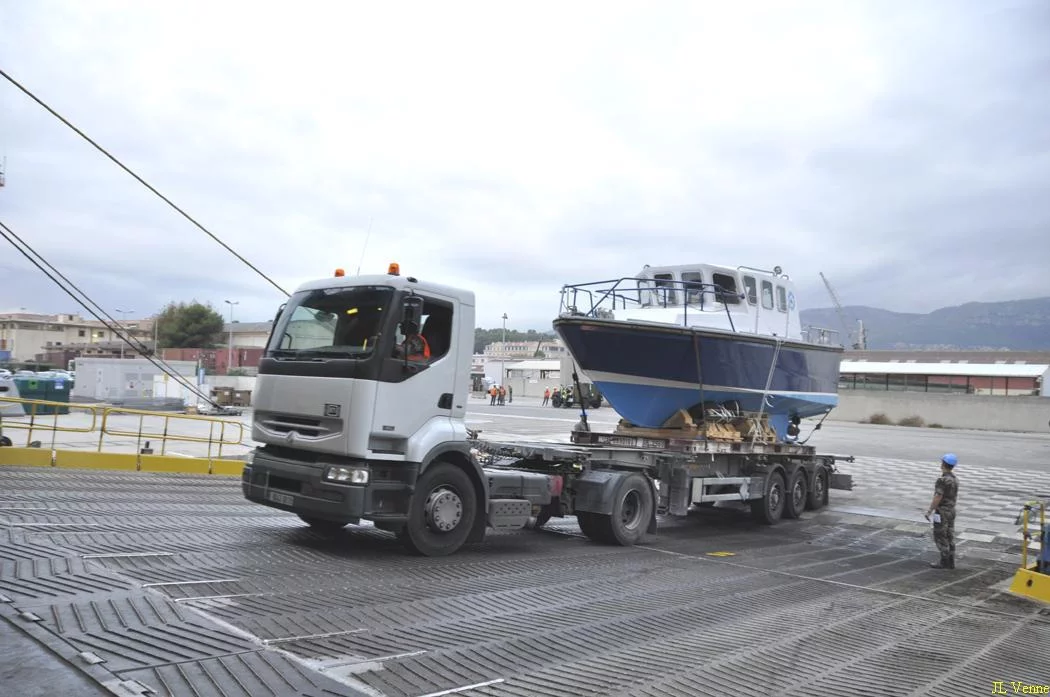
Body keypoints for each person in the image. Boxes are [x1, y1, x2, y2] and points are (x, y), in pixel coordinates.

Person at [925, 453, 959, 569]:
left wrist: (930, 510)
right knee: (950, 535)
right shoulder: (955, 479)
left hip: (942, 512)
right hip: (951, 511)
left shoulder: (942, 480)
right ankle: (951, 561)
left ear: (943, 464)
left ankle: (944, 561)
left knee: (940, 535)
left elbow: (938, 496)